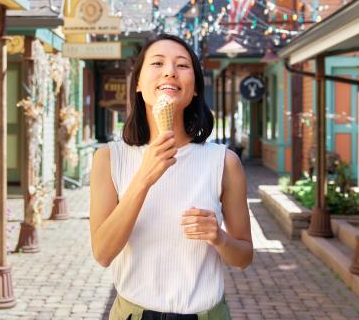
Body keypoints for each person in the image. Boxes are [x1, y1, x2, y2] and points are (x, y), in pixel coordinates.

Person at [90, 34, 254, 320]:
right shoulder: (109, 159)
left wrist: (219, 238)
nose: (170, 71)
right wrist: (144, 177)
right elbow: (103, 253)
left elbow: (244, 257)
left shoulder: (224, 163)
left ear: (194, 90)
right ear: (138, 84)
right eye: (157, 63)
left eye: (182, 65)